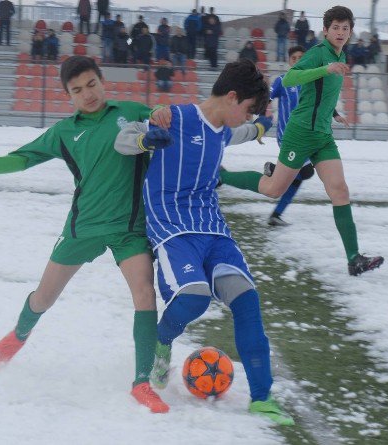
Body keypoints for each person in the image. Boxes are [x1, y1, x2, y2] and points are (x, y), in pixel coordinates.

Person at [0, 56, 170, 414]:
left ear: (102, 81)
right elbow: (21, 159)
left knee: (144, 293)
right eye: (77, 90)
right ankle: (18, 335)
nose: (87, 94)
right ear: (68, 96)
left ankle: (141, 382)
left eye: (91, 84)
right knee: (44, 298)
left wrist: (160, 110)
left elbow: (160, 113)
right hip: (82, 228)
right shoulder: (64, 132)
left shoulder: (129, 110)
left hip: (129, 229)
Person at [114, 59, 295, 426]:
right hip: (172, 231)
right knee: (195, 297)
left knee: (247, 300)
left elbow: (246, 131)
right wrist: (145, 138)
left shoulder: (225, 130)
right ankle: (163, 341)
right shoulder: (172, 117)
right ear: (231, 97)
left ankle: (262, 398)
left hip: (214, 231)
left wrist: (265, 123)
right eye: (245, 109)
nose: (245, 117)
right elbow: (121, 141)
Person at [218, 6, 384, 276]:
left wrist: (334, 113)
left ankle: (354, 258)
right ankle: (222, 178)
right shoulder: (319, 54)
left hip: (323, 136)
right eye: (336, 28)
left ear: (351, 31)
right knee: (274, 190)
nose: (341, 32)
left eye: (345, 28)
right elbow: (293, 77)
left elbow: (318, 95)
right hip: (301, 134)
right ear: (326, 31)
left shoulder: (340, 55)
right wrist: (325, 69)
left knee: (339, 191)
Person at [266, 45, 312, 226]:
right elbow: (266, 99)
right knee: (306, 171)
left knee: (298, 176)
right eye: (294, 58)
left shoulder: (311, 82)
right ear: (289, 61)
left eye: (301, 57)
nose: (298, 60)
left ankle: (276, 215)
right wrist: (260, 120)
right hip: (287, 135)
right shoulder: (282, 81)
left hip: (304, 136)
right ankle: (273, 169)